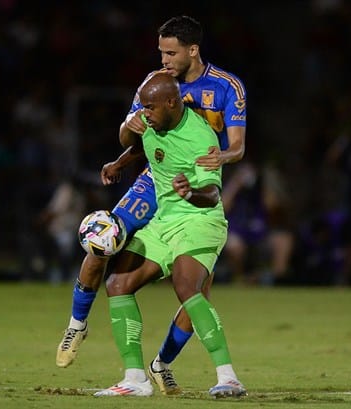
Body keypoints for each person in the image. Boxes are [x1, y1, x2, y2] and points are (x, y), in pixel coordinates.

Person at [56, 15, 247, 395]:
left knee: (192, 289)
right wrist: (121, 156)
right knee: (105, 237)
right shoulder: (154, 86)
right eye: (160, 51)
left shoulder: (225, 89)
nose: (163, 59)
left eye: (170, 52)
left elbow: (237, 147)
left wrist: (216, 161)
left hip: (194, 186)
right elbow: (134, 133)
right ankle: (78, 324)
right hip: (155, 182)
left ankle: (166, 365)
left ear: (192, 50)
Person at [93, 72, 245, 397]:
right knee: (117, 283)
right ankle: (135, 379)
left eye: (149, 108)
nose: (144, 113)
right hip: (165, 221)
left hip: (201, 219)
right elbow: (140, 146)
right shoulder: (151, 123)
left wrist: (191, 193)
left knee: (186, 285)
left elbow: (213, 195)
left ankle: (228, 376)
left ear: (171, 103)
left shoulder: (200, 136)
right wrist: (119, 163)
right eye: (142, 108)